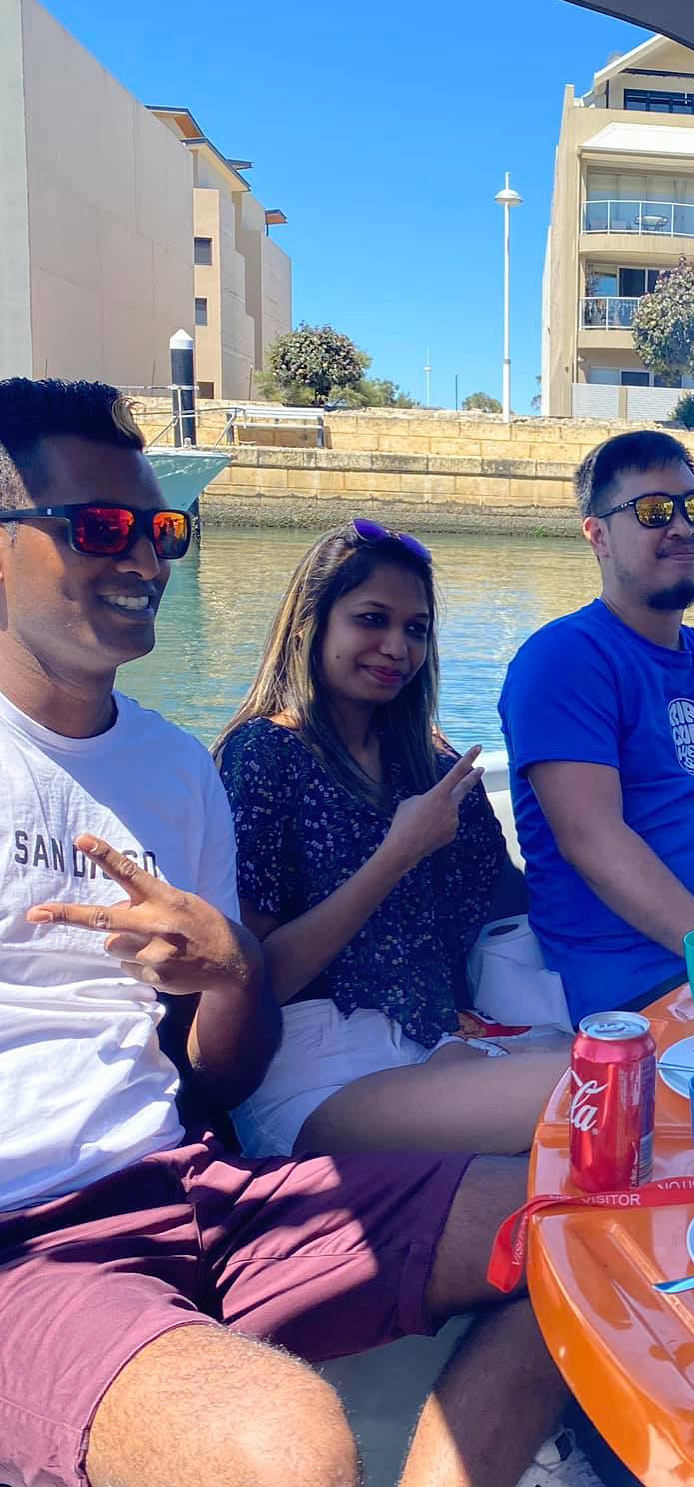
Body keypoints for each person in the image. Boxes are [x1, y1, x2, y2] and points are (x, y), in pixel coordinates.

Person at [0, 379, 572, 1487]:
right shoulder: (255, 759)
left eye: (163, 531)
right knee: (286, 1449)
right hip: (39, 1233)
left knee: (587, 1233)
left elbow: (215, 1073)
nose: (145, 560)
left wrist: (227, 977)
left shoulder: (174, 773)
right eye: (100, 529)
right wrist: (393, 854)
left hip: (194, 1177)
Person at [215, 521, 571, 1158]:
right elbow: (255, 979)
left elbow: (505, 899)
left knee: (639, 1054)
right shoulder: (265, 754)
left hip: (432, 1044)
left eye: (415, 628)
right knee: (596, 1092)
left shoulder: (424, 762)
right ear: (310, 625)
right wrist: (398, 852)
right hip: (310, 1067)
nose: (396, 647)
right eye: (371, 619)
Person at [498, 429, 694, 1021]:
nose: (682, 527)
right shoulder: (566, 660)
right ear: (598, 535)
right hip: (647, 981)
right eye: (653, 511)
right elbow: (594, 840)